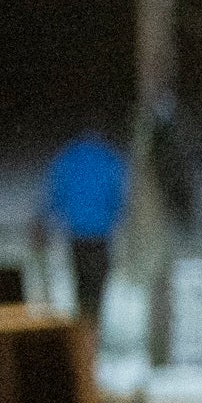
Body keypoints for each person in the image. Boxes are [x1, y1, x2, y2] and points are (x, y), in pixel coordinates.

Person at [44, 129, 129, 331]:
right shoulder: (109, 158)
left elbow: (56, 192)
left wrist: (49, 218)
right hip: (101, 234)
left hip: (77, 233)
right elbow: (119, 196)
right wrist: (115, 218)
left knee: (81, 282)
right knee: (97, 284)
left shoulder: (69, 157)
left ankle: (82, 326)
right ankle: (93, 328)